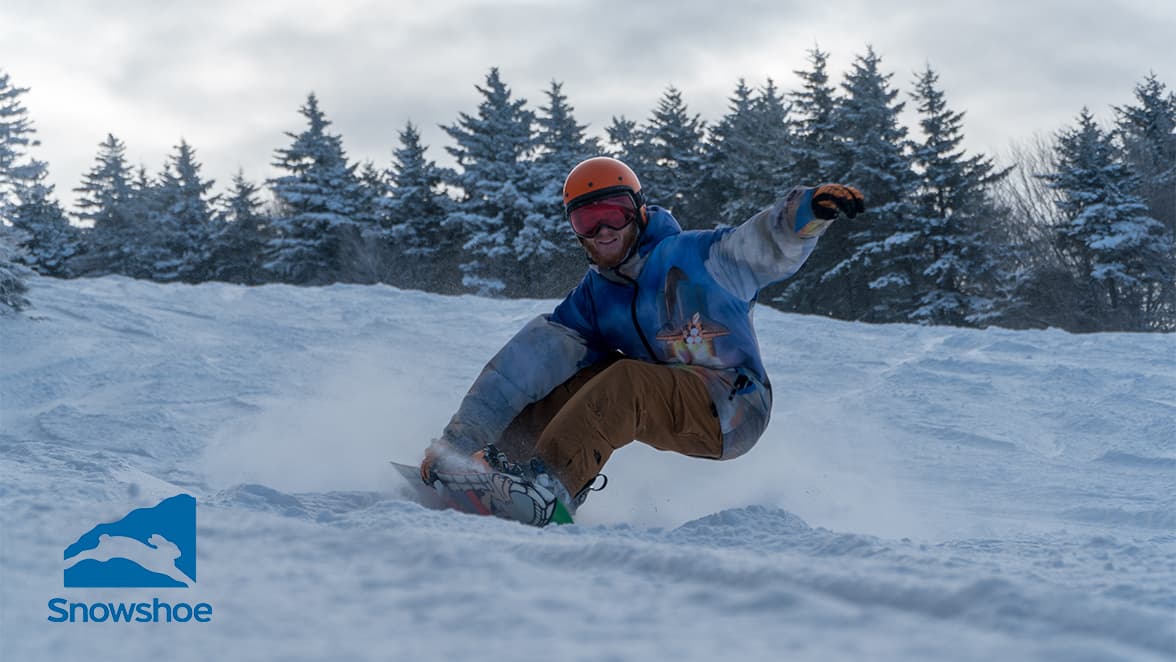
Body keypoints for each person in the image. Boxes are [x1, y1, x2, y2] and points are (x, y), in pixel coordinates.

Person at [419, 156, 864, 518]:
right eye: (587, 220)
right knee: (566, 378)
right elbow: (519, 369)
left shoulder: (702, 256)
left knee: (625, 379)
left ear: (639, 211)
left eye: (614, 213)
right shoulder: (595, 298)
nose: (604, 230)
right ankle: (486, 471)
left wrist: (806, 211)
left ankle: (546, 489)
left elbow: (765, 242)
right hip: (662, 389)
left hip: (733, 404)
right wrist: (457, 442)